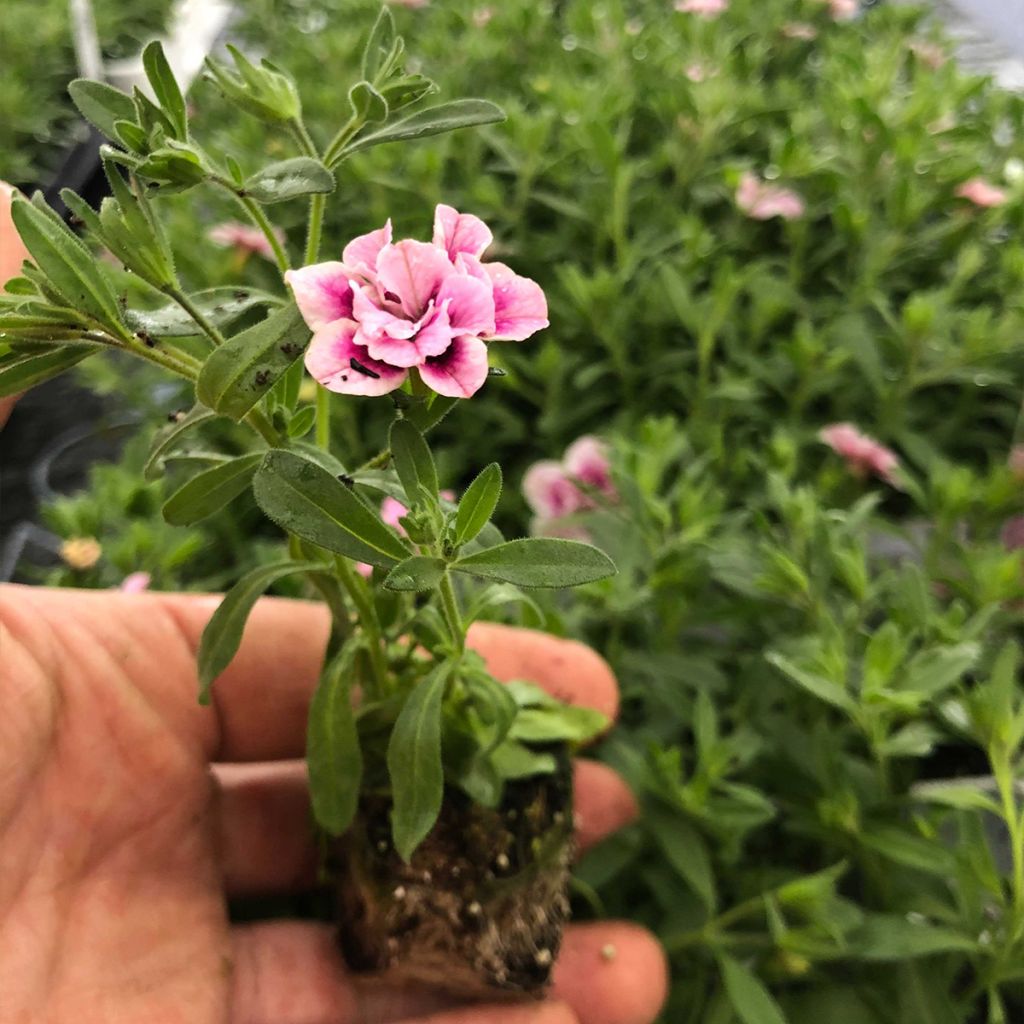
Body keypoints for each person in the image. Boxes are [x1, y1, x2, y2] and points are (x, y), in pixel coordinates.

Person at [0, 185, 668, 1024]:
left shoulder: (447, 340)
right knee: (394, 745)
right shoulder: (343, 322)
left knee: (472, 728)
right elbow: (323, 348)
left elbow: (469, 337)